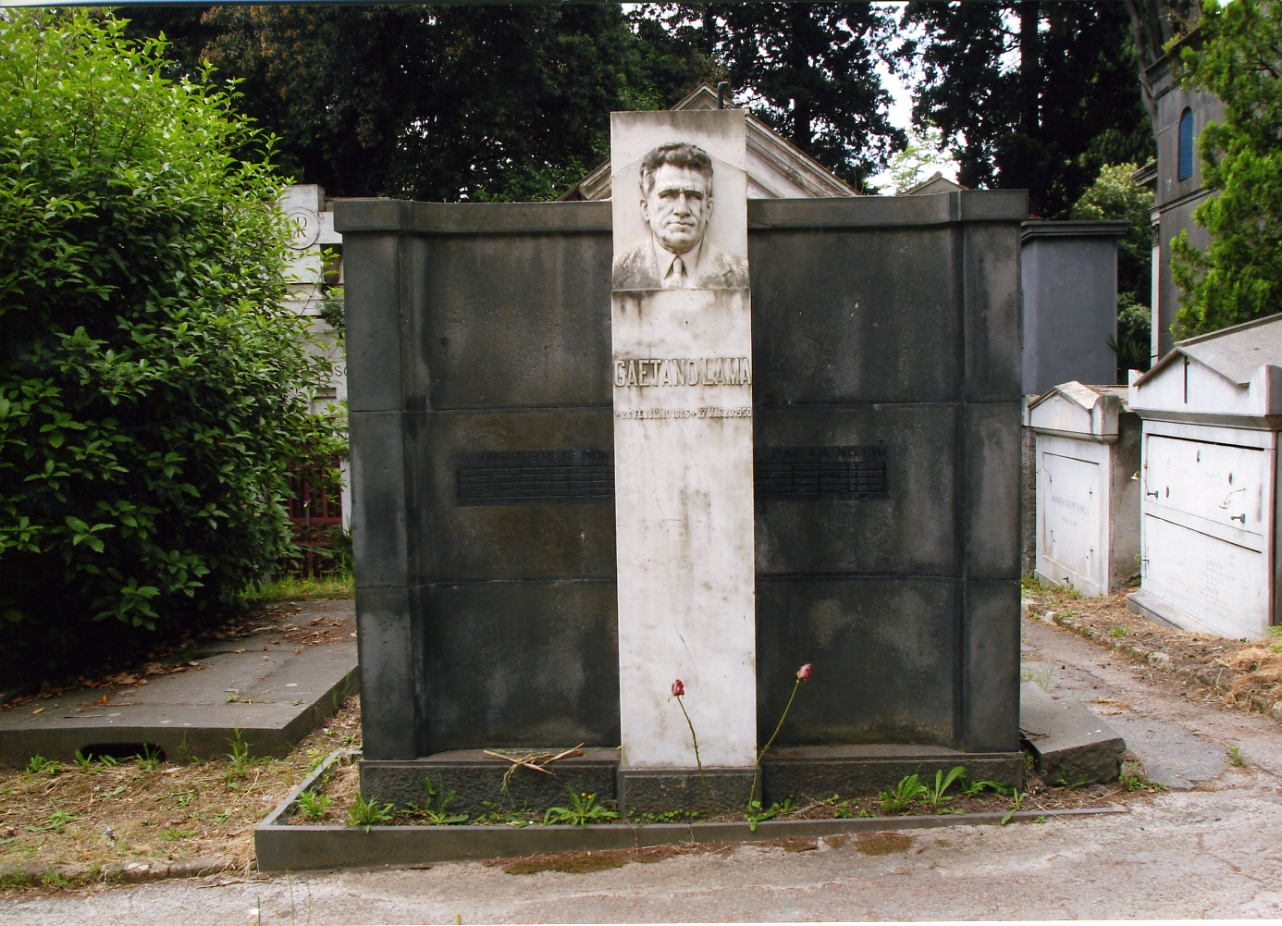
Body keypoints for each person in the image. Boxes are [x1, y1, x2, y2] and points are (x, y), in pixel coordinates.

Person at [612, 141, 749, 290]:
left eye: (693, 196)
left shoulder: (737, 272)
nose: (682, 210)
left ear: (708, 209)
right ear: (645, 209)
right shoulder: (623, 269)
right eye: (668, 195)